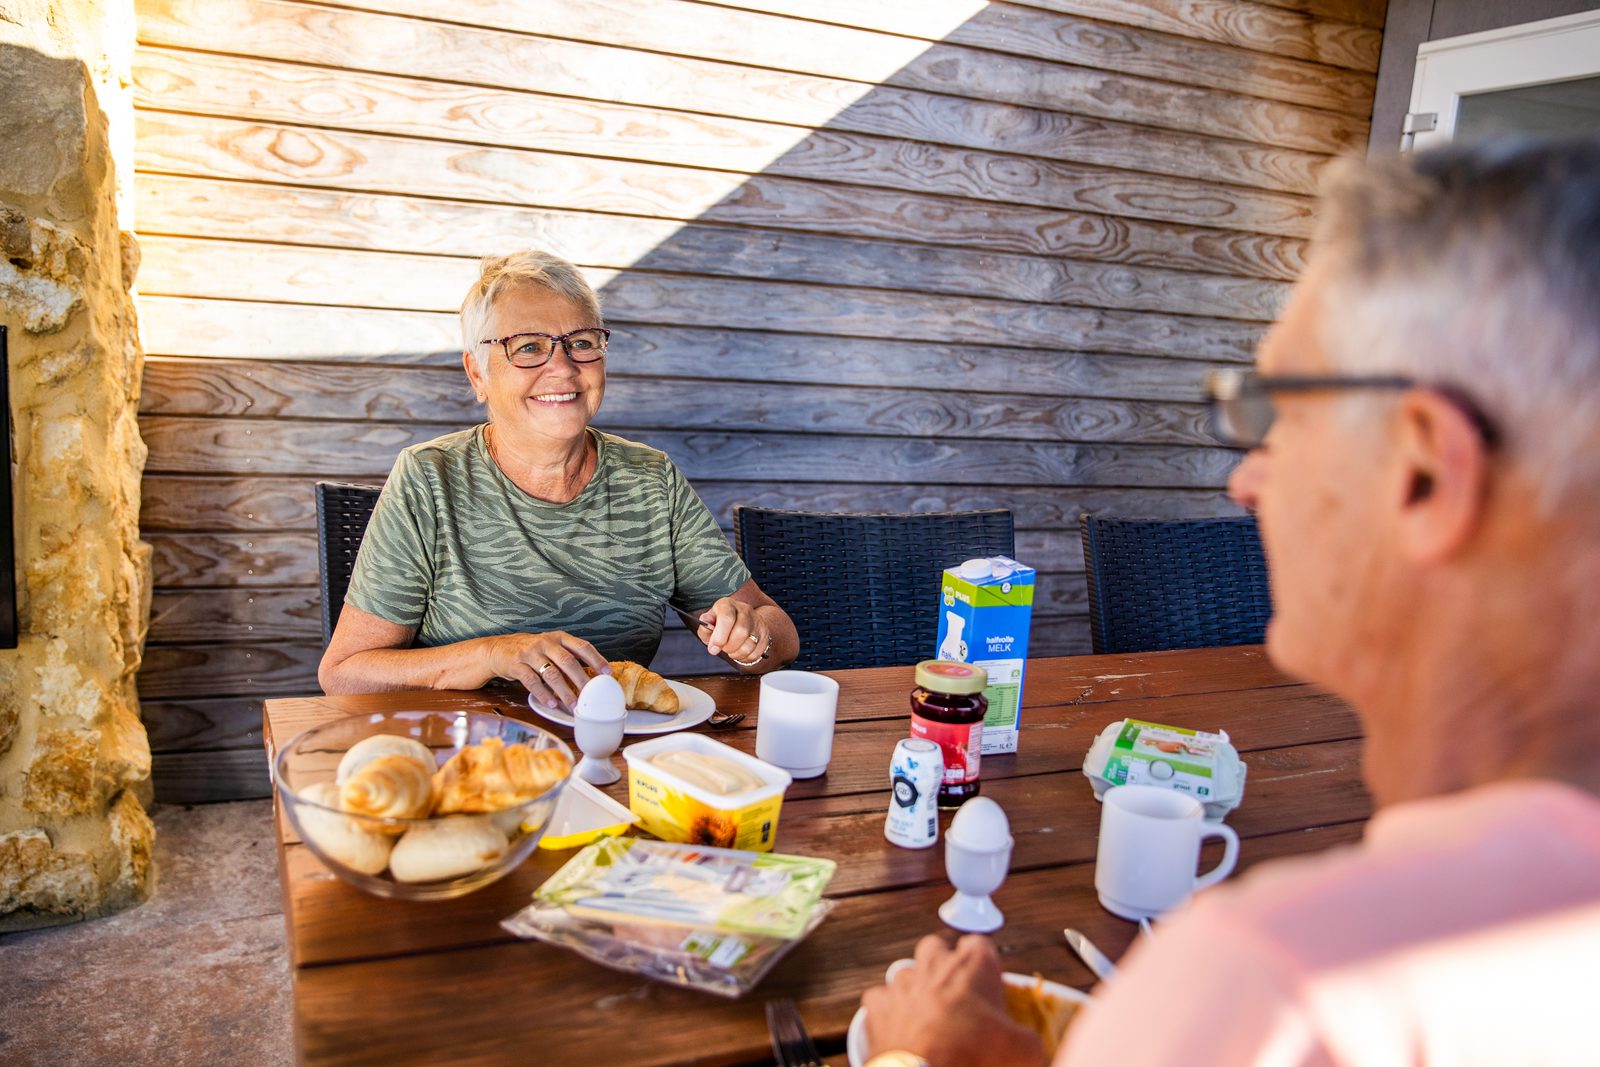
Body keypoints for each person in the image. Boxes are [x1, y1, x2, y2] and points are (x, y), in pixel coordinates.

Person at [860, 139, 1600, 1066]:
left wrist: (927, 1056)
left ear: (1421, 474)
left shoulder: (1282, 985)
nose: (1246, 481)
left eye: (1279, 413)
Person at [318, 250, 798, 706]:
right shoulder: (430, 478)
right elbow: (345, 674)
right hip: (471, 754)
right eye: (528, 347)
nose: (563, 368)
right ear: (478, 374)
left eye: (582, 343)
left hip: (611, 750)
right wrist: (493, 653)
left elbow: (780, 635)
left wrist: (749, 638)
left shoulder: (651, 480)